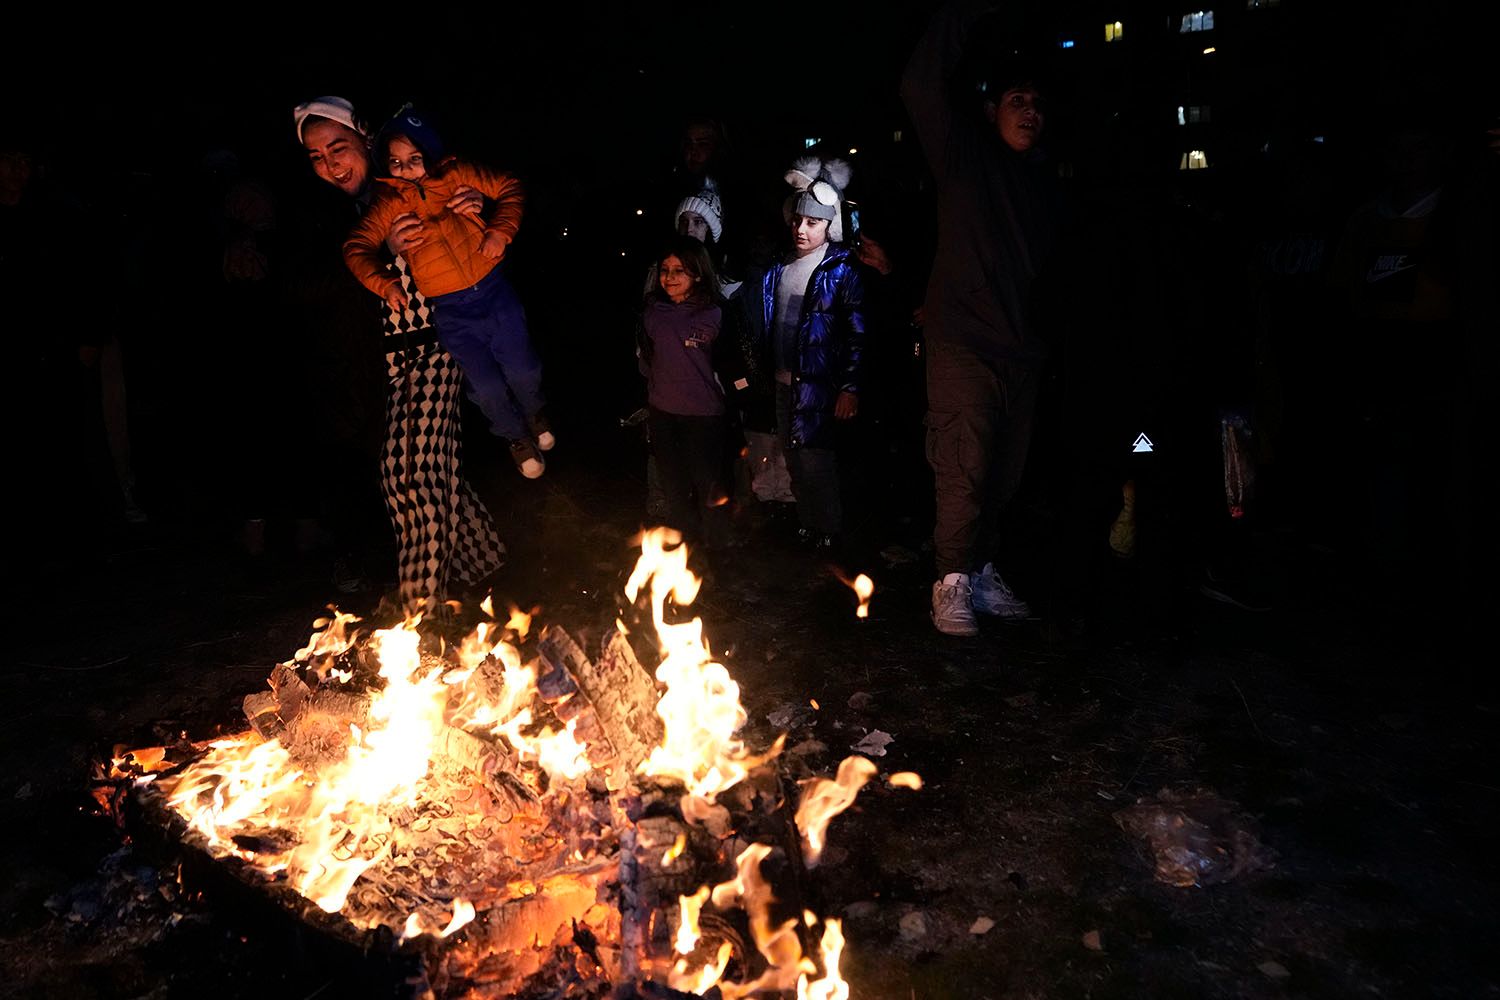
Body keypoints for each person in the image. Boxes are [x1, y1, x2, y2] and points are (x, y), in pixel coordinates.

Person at [294, 96, 505, 617]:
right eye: (317, 157)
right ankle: (492, 571)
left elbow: (479, 219)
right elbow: (318, 286)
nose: (330, 164)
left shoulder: (410, 183)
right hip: (379, 364)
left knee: (406, 474)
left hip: (437, 346)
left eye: (338, 148)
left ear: (364, 140)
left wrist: (478, 212)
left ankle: (421, 610)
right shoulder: (328, 215)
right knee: (429, 469)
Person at [902, 1, 1066, 636]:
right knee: (964, 463)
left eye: (1037, 104)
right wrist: (962, 11)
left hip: (1022, 351)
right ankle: (949, 581)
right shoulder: (964, 155)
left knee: (1005, 472)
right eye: (1016, 99)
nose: (1030, 111)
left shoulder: (1046, 186)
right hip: (963, 342)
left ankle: (982, 567)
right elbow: (919, 84)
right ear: (991, 110)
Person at [343, 105, 552, 479]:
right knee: (484, 385)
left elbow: (509, 186)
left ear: (430, 153)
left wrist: (499, 231)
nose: (405, 169)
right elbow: (356, 247)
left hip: (493, 290)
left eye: (414, 158)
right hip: (450, 309)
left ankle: (534, 412)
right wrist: (385, 282)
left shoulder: (458, 174)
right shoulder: (388, 203)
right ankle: (515, 437)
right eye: (395, 161)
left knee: (522, 366)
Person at [755, 156, 867, 551]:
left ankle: (830, 529)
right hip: (785, 381)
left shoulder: (841, 270)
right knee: (792, 454)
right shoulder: (780, 267)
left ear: (830, 225)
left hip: (821, 386)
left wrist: (849, 387)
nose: (802, 229)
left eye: (814, 222)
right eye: (798, 220)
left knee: (818, 459)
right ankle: (808, 522)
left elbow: (857, 334)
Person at [636, 235, 741, 549]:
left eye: (679, 270)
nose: (670, 278)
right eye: (665, 270)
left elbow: (731, 365)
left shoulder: (714, 313)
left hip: (703, 416)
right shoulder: (652, 312)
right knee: (674, 486)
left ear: (697, 273)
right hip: (664, 413)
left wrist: (738, 400)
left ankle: (718, 547)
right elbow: (647, 357)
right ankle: (683, 550)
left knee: (708, 485)